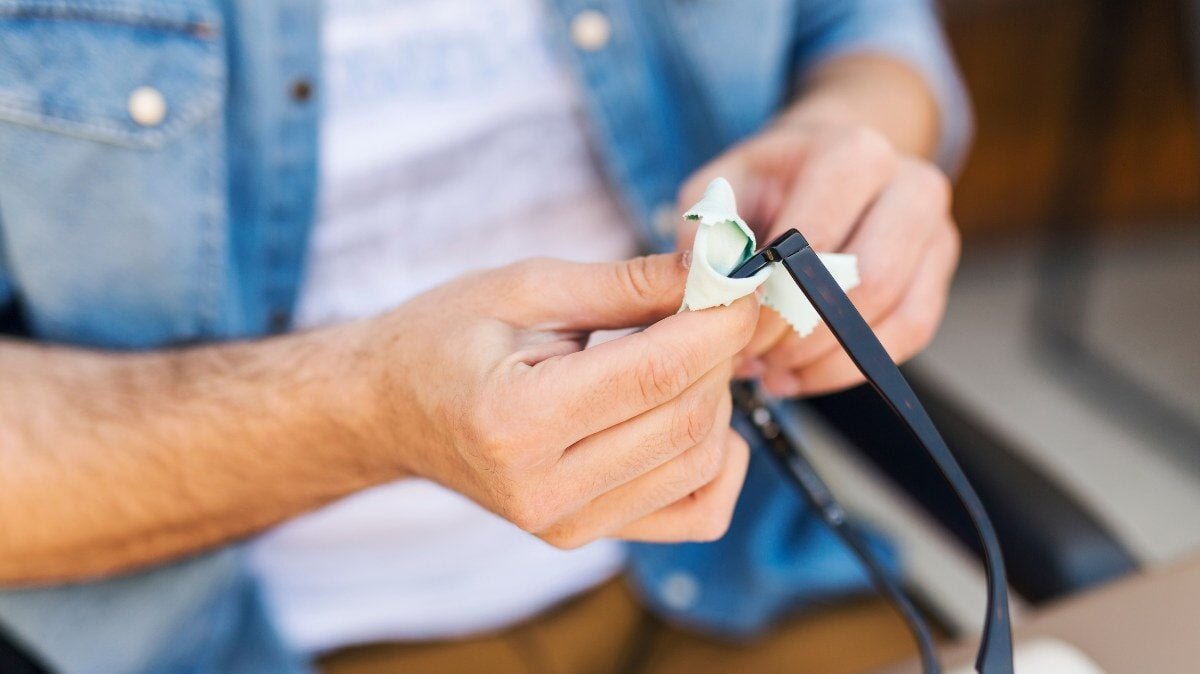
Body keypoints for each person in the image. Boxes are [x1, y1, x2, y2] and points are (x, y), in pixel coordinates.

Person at [0, 1, 968, 672]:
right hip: (247, 639)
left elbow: (863, 29)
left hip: (746, 575)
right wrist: (368, 413)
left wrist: (855, 131)